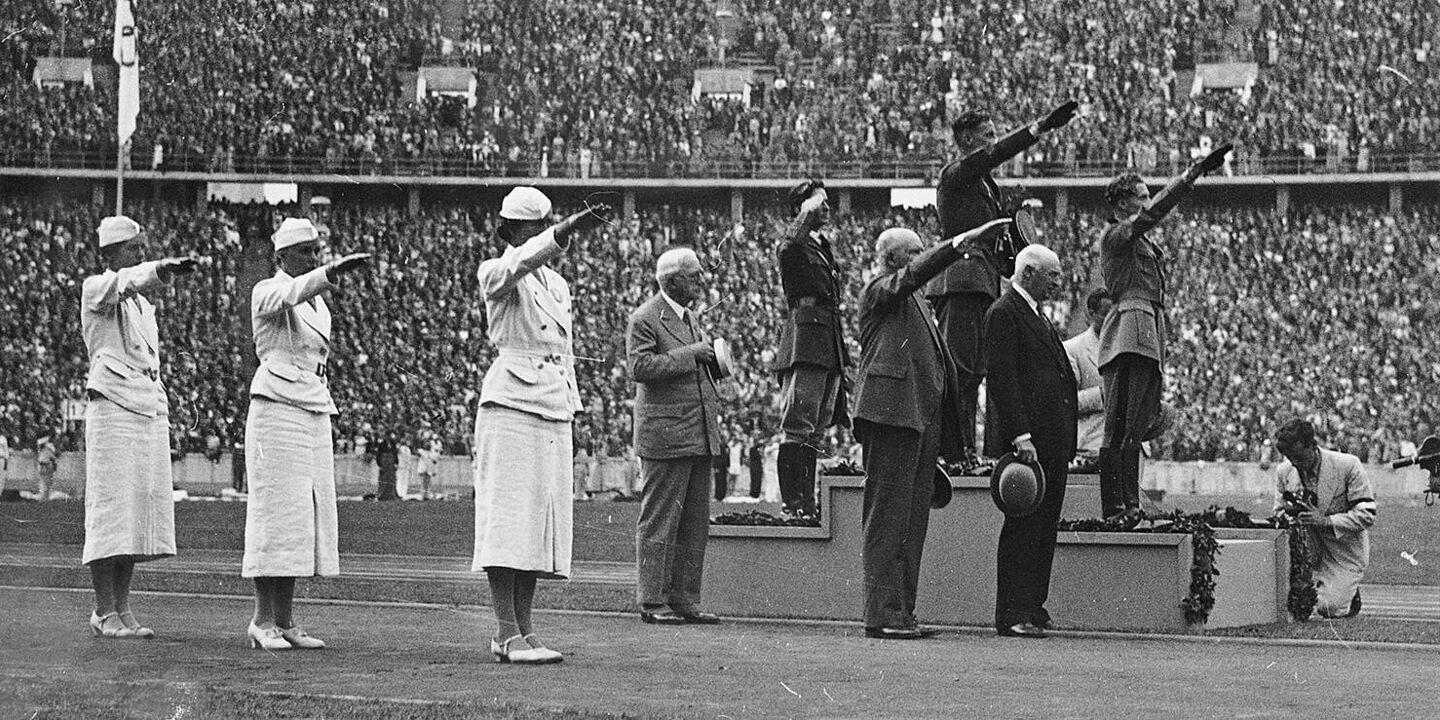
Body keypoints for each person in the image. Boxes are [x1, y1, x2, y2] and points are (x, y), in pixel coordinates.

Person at [851, 219, 1011, 639]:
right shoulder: (879, 291)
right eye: (916, 250)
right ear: (895, 259)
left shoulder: (918, 301)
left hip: (917, 419)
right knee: (889, 520)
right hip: (891, 416)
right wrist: (957, 244)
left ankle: (900, 611)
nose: (924, 256)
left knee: (910, 523)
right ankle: (882, 614)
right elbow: (912, 276)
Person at [472, 187, 609, 664]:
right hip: (511, 399)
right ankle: (504, 630)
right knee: (507, 520)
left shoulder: (558, 285)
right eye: (532, 226)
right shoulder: (496, 270)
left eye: (546, 223)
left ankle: (526, 629)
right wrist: (563, 232)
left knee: (536, 523)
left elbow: (565, 354)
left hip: (551, 404)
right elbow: (516, 266)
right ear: (510, 229)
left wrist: (574, 404)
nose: (541, 234)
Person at [925, 102, 1078, 468]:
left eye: (995, 134)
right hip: (962, 281)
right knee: (961, 374)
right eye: (987, 136)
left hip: (983, 281)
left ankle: (967, 453)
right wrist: (1038, 128)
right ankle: (954, 455)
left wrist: (1009, 214)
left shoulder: (982, 185)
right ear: (966, 140)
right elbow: (991, 157)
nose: (993, 143)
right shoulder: (956, 174)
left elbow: (1001, 246)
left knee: (976, 373)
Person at [243, 217, 371, 651]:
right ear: (282, 256)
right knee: (275, 512)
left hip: (313, 402)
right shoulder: (267, 289)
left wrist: (322, 278)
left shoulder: (320, 304)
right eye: (306, 251)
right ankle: (262, 620)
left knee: (303, 514)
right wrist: (329, 273)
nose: (315, 258)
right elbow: (290, 292)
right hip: (276, 404)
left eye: (318, 251)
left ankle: (286, 618)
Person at [1096, 143, 1231, 523]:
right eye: (1140, 196)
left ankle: (1130, 505)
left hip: (1146, 332)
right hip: (1129, 331)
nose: (1147, 201)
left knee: (1134, 428)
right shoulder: (1115, 235)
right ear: (1123, 204)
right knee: (1118, 426)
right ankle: (1114, 507)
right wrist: (1189, 175)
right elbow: (1151, 215)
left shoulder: (1140, 242)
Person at [80, 215, 200, 639]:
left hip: (144, 408)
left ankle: (123, 607)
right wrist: (161, 269)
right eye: (131, 247)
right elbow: (124, 282)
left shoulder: (143, 306)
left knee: (133, 512)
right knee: (112, 509)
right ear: (109, 253)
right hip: (111, 406)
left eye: (140, 246)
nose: (139, 253)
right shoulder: (96, 287)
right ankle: (102, 610)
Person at [983, 244, 1077, 639]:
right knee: (1023, 527)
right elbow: (1003, 380)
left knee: (1044, 527)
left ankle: (1033, 605)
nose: (1059, 282)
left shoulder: (1035, 314)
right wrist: (1021, 435)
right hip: (1030, 442)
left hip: (1051, 441)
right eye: (1052, 275)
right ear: (1028, 273)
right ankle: (1012, 610)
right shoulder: (1005, 313)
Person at [627, 247, 725, 627]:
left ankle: (684, 598)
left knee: (694, 522)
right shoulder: (646, 317)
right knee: (660, 520)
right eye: (695, 275)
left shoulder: (690, 318)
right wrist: (693, 354)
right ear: (672, 280)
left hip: (697, 431)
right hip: (666, 435)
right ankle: (652, 600)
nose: (702, 280)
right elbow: (640, 367)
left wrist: (712, 361)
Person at [773, 179, 849, 518]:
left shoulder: (821, 246)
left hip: (826, 340)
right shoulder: (796, 246)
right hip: (806, 341)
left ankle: (807, 502)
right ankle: (794, 504)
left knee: (815, 431)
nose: (827, 208)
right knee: (798, 426)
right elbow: (787, 248)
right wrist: (806, 213)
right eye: (820, 203)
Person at [1272, 419, 1375, 618]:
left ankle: (1347, 592)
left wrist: (1326, 520)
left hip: (1344, 551)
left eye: (1299, 457)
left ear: (1313, 445)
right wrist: (1289, 514)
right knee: (1291, 605)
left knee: (1329, 608)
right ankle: (1327, 585)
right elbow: (1277, 512)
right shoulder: (1284, 471)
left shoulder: (1348, 465)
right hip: (1307, 548)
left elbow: (1367, 515)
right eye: (1290, 458)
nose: (1295, 463)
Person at [1063, 289, 1112, 468]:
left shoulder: (1126, 349)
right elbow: (1065, 403)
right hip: (1090, 446)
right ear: (1091, 313)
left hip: (1128, 448)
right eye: (1106, 314)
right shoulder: (1072, 349)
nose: (1112, 321)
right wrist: (1102, 395)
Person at [35, 434, 57, 501]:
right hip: (45, 466)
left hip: (46, 465)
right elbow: (53, 457)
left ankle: (45, 496)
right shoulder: (46, 449)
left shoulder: (47, 449)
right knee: (45, 481)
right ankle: (44, 496)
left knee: (46, 481)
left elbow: (53, 457)